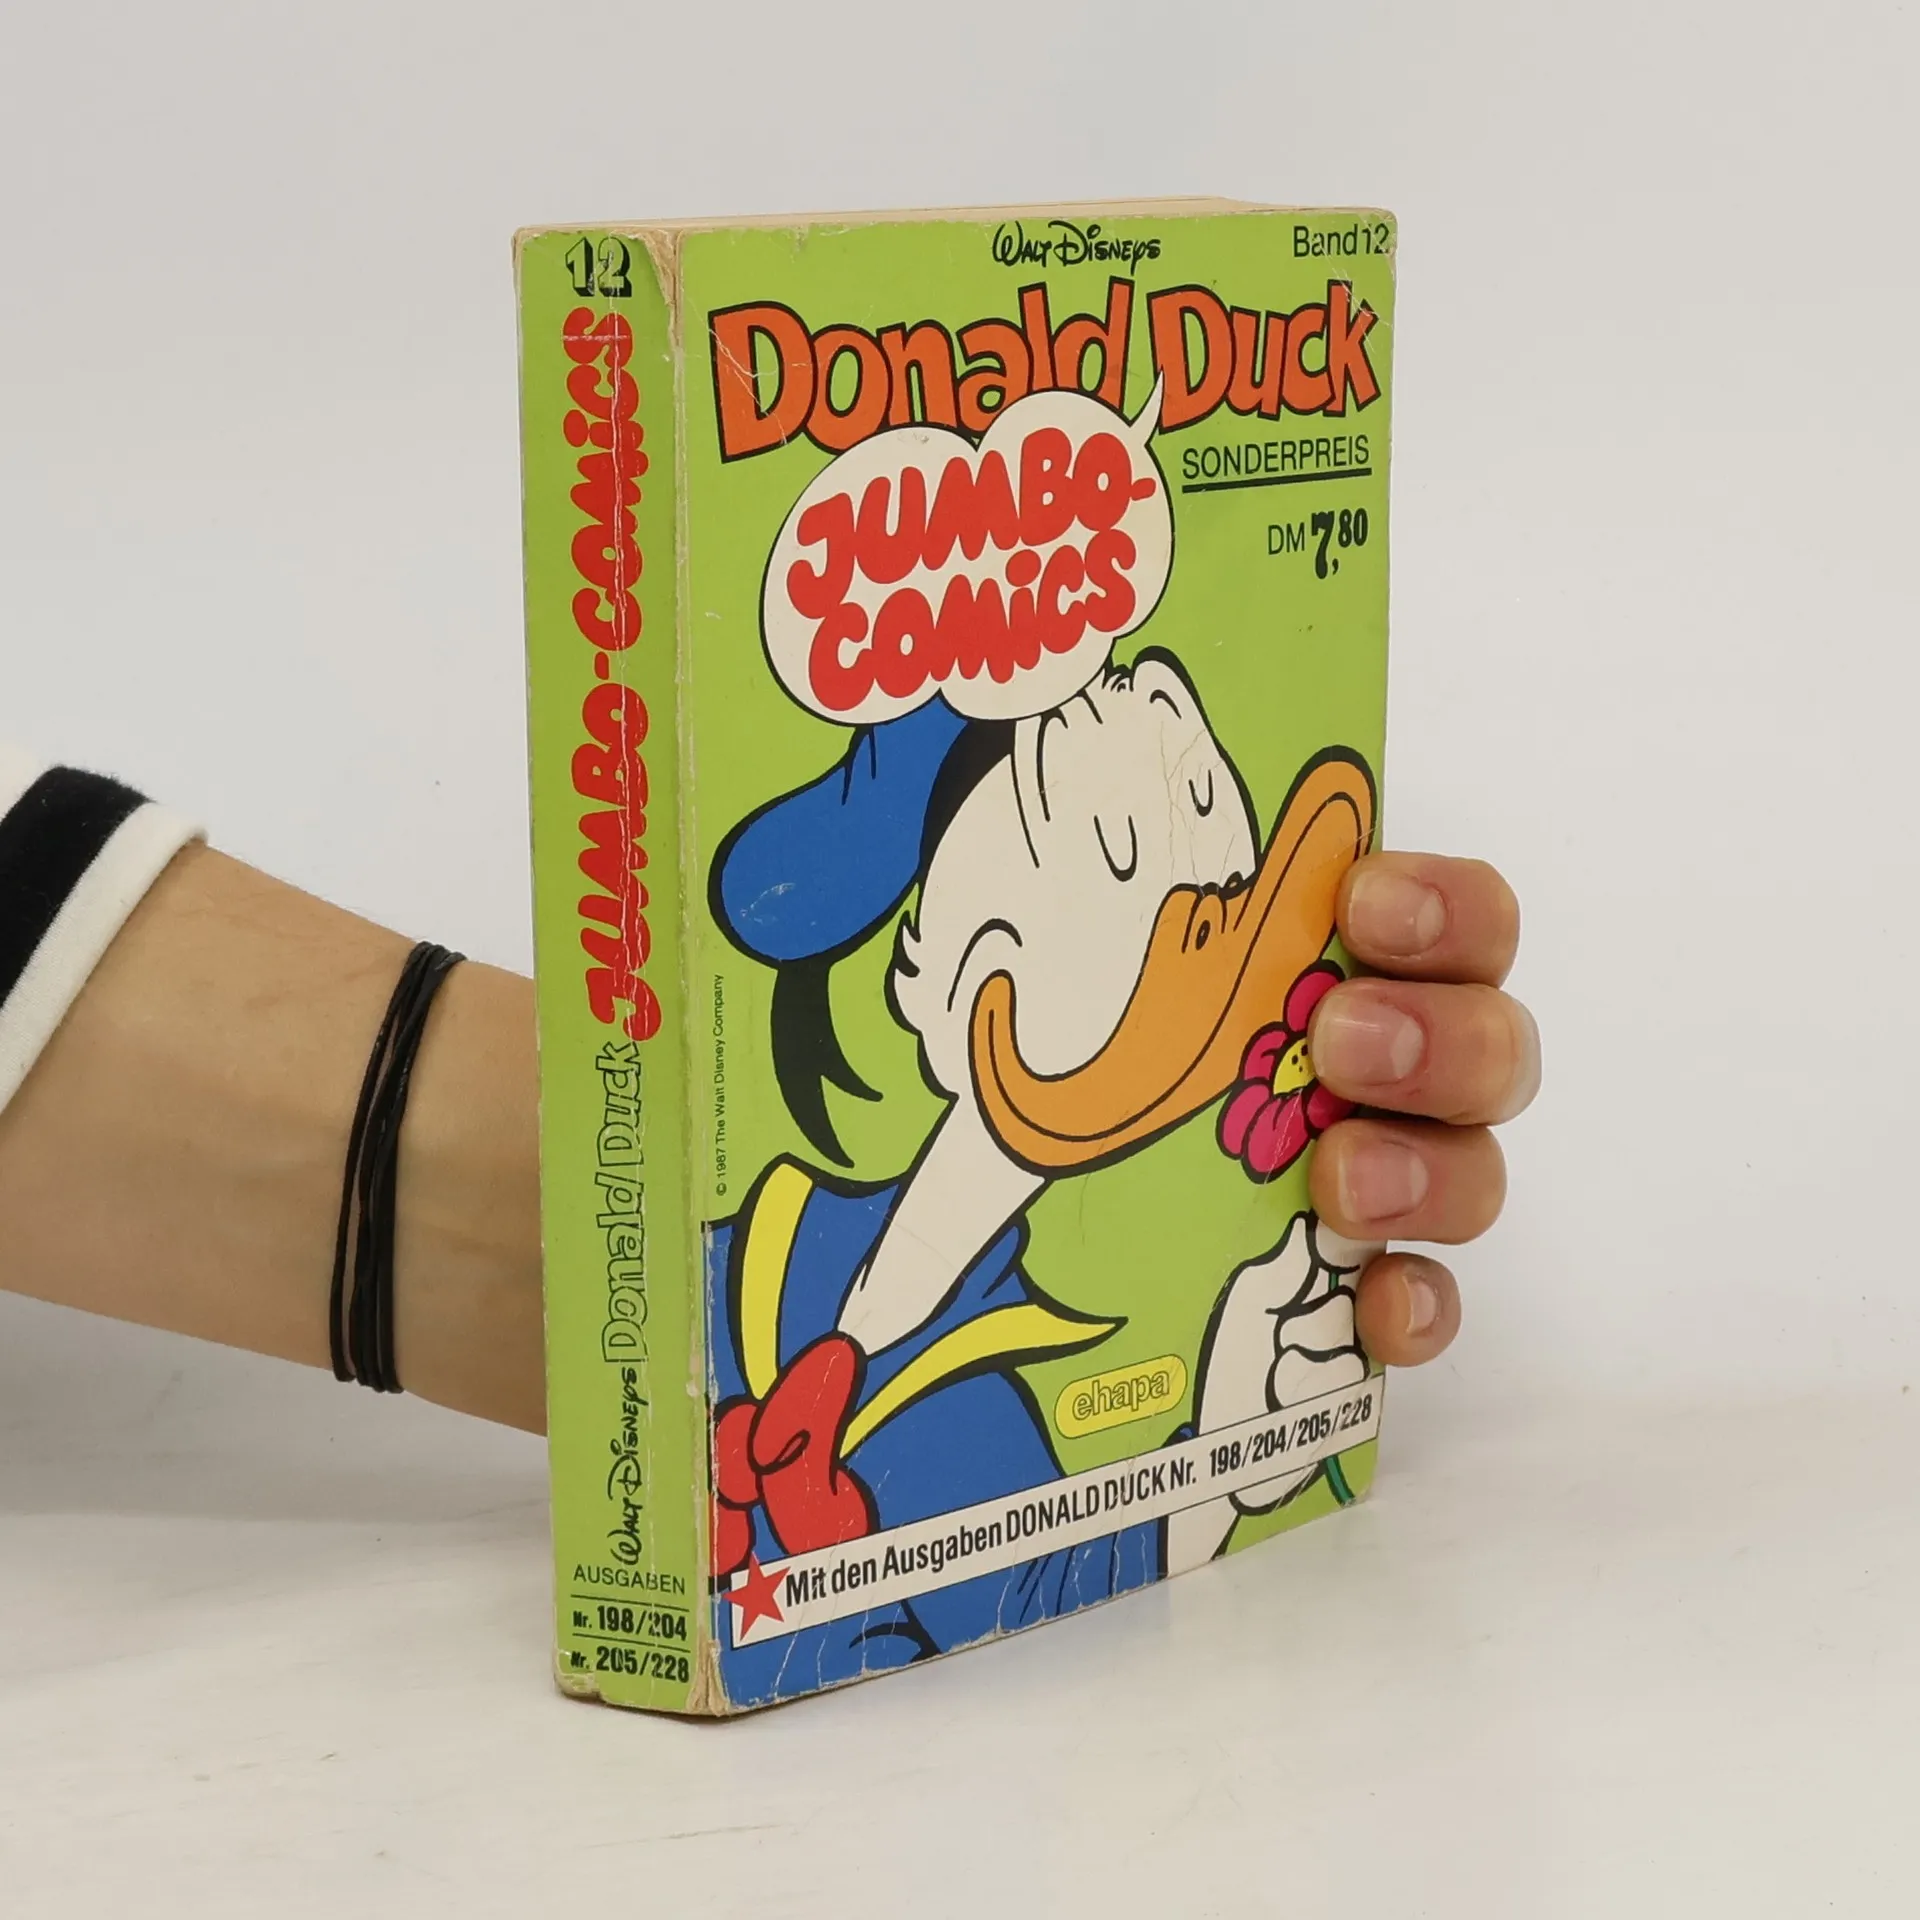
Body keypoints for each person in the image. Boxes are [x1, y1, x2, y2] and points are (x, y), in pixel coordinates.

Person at [0, 745, 1539, 1445]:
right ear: (941, 972)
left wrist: (1222, 1424)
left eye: (1191, 809)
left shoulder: (1024, 1368)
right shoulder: (783, 1240)